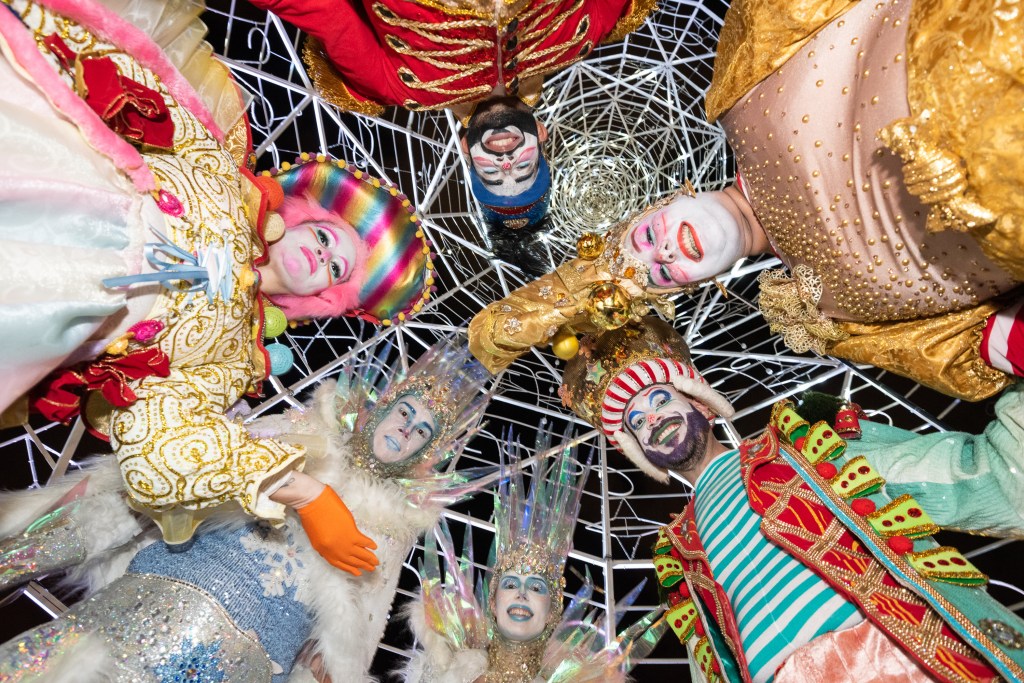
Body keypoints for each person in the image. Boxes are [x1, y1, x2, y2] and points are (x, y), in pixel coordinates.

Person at [0, 0, 430, 555]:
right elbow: (127, 76)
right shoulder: (222, 171)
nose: (318, 257)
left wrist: (306, 493)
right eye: (325, 237)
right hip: (41, 176)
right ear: (304, 216)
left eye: (334, 269)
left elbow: (156, 449)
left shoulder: (232, 360)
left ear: (325, 296)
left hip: (35, 310)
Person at [0, 336, 492, 682]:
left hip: (250, 663)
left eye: (422, 431)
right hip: (160, 602)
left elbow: (353, 637)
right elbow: (188, 467)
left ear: (425, 453)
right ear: (380, 409)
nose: (406, 428)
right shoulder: (302, 431)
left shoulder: (394, 528)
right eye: (404, 411)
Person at [559, 316, 1024, 682]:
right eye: (637, 423)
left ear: (699, 401)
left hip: (898, 658)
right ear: (640, 452)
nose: (653, 421)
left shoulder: (805, 444)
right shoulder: (677, 554)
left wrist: (1010, 340)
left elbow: (983, 477)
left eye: (660, 400)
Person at [610, 0, 1024, 401]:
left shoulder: (741, 81)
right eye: (659, 276)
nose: (663, 254)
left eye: (647, 238)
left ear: (664, 202)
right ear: (696, 285)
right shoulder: (834, 319)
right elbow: (991, 341)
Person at [245, 0, 656, 275]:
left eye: (493, 175)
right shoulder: (583, 33)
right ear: (542, 135)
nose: (507, 162)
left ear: (465, 151)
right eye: (524, 170)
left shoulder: (395, 85)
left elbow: (317, 8)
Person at [400, 440, 665, 683]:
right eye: (510, 584)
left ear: (553, 611)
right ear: (493, 602)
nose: (522, 594)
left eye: (537, 587)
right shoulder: (443, 671)